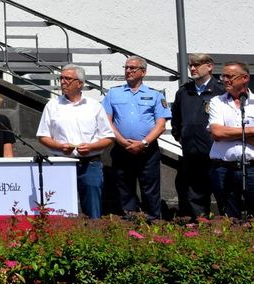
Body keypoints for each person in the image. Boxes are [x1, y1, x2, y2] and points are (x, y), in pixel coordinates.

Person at [35, 65, 115, 219]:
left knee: (93, 210)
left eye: (68, 79)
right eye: (61, 78)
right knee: (59, 208)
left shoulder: (94, 106)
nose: (63, 82)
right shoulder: (52, 105)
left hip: (89, 164)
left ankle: (94, 238)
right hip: (60, 163)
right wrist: (59, 146)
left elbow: (108, 137)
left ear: (80, 83)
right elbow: (42, 136)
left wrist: (92, 147)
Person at [102, 56, 171, 219]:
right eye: (126, 67)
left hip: (148, 150)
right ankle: (129, 222)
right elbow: (106, 121)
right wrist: (121, 140)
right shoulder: (113, 93)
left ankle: (152, 222)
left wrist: (144, 142)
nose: (128, 71)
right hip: (121, 148)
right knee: (124, 188)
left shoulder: (155, 95)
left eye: (133, 68)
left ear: (143, 72)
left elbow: (161, 125)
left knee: (150, 189)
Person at [172, 53, 226, 218]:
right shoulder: (184, 91)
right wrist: (180, 136)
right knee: (195, 195)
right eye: (190, 65)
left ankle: (230, 230)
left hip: (216, 153)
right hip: (192, 153)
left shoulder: (221, 90)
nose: (192, 68)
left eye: (196, 64)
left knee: (223, 194)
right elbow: (176, 119)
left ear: (209, 66)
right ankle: (200, 227)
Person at [208, 62, 254, 219]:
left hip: (252, 168)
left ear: (245, 78)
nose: (224, 80)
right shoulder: (217, 102)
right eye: (223, 76)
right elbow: (217, 132)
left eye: (229, 76)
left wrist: (229, 133)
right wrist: (251, 131)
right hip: (223, 168)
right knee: (228, 217)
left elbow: (223, 132)